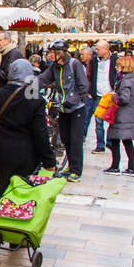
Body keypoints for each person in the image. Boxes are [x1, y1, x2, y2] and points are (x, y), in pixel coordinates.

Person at [0, 58, 56, 242]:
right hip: (25, 153)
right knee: (20, 192)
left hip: (0, 150)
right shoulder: (34, 98)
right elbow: (40, 133)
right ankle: (16, 228)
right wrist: (49, 161)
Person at [37, 42, 89, 182]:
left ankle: (76, 170)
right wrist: (27, 86)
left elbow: (83, 86)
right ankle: (71, 167)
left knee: (75, 139)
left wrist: (72, 100)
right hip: (63, 108)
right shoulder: (55, 66)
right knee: (65, 138)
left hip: (76, 107)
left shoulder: (75, 64)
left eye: (52, 52)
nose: (49, 55)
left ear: (60, 53)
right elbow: (43, 79)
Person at [104, 54, 134, 176]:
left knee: (115, 140)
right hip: (132, 116)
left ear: (123, 66)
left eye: (118, 66)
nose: (116, 68)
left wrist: (113, 95)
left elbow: (124, 99)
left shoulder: (125, 81)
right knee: (127, 142)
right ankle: (132, 167)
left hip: (123, 116)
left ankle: (115, 166)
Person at [86, 40, 119, 154]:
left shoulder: (115, 60)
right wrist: (90, 91)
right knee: (98, 121)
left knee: (112, 120)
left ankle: (110, 142)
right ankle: (100, 145)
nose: (96, 51)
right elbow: (90, 76)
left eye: (98, 49)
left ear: (106, 49)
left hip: (111, 94)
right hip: (98, 94)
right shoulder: (94, 61)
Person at [77, 45, 96, 142]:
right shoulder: (82, 65)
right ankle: (82, 134)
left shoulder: (93, 65)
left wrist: (90, 92)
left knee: (86, 115)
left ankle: (82, 135)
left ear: (89, 55)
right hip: (84, 94)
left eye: (83, 54)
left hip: (89, 94)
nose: (81, 56)